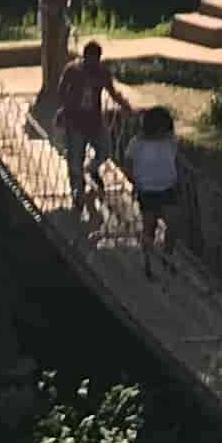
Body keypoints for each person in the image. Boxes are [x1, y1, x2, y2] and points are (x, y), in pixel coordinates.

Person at [52, 38, 128, 219]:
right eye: (91, 59)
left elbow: (112, 91)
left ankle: (92, 169)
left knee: (105, 151)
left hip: (95, 121)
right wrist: (65, 110)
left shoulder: (102, 72)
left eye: (97, 59)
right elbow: (61, 90)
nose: (94, 63)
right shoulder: (72, 70)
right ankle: (77, 193)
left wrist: (124, 106)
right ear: (85, 57)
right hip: (75, 122)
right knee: (74, 158)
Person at [124, 107, 184, 273]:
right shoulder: (137, 143)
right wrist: (134, 181)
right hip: (147, 190)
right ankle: (148, 261)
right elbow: (128, 163)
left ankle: (168, 255)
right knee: (149, 226)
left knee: (174, 224)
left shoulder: (170, 140)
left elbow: (174, 160)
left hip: (167, 189)